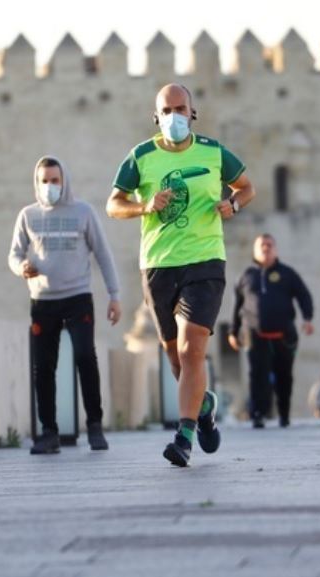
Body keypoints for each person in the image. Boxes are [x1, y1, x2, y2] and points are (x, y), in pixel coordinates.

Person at [106, 83, 255, 467]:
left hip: (205, 260)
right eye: (167, 110)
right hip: (158, 265)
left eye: (180, 108)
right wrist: (144, 205)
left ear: (192, 112)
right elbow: (113, 205)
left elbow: (246, 187)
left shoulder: (213, 151)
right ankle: (204, 406)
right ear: (157, 117)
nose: (174, 116)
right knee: (176, 359)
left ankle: (184, 437)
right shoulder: (141, 156)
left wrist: (233, 205)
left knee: (192, 350)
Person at [10, 155, 121, 454]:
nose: (50, 186)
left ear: (64, 181)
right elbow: (14, 254)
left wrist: (114, 295)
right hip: (42, 301)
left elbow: (103, 254)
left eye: (55, 180)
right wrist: (21, 267)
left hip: (78, 298)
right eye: (44, 181)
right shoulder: (28, 215)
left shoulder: (83, 212)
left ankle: (95, 426)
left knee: (85, 356)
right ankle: (49, 432)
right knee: (43, 367)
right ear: (37, 183)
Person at [228, 233, 314, 428]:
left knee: (284, 376)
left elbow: (304, 295)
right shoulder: (247, 276)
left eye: (269, 245)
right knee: (257, 375)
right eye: (262, 245)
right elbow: (237, 305)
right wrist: (233, 331)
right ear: (255, 250)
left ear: (275, 249)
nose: (266, 248)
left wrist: (307, 318)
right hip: (255, 335)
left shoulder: (287, 274)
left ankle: (284, 414)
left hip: (283, 335)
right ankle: (258, 414)